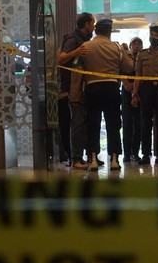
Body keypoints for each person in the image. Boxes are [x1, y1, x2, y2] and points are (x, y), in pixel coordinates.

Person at [81, 19, 134, 172]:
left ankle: (92, 159)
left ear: (96, 30)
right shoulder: (116, 47)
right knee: (113, 124)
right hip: (111, 87)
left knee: (92, 124)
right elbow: (129, 68)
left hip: (92, 87)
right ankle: (115, 159)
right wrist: (127, 52)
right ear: (109, 31)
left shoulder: (86, 46)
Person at [57, 12, 95, 170]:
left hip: (83, 88)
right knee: (77, 123)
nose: (93, 26)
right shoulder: (73, 39)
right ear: (86, 24)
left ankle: (84, 156)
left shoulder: (86, 40)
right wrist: (76, 52)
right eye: (92, 23)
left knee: (84, 123)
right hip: (73, 90)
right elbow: (60, 58)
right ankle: (76, 158)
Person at [132, 25, 158, 165]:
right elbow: (138, 75)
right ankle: (146, 155)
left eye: (156, 35)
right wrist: (135, 94)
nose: (153, 37)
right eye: (152, 34)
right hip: (146, 90)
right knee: (145, 123)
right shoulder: (142, 54)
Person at [121, 37, 143, 162]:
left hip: (139, 94)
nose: (136, 46)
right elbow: (120, 71)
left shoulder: (143, 59)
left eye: (139, 43)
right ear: (130, 46)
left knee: (138, 125)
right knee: (127, 124)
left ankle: (135, 152)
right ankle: (126, 154)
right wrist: (127, 85)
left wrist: (135, 90)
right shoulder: (126, 58)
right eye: (134, 43)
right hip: (126, 93)